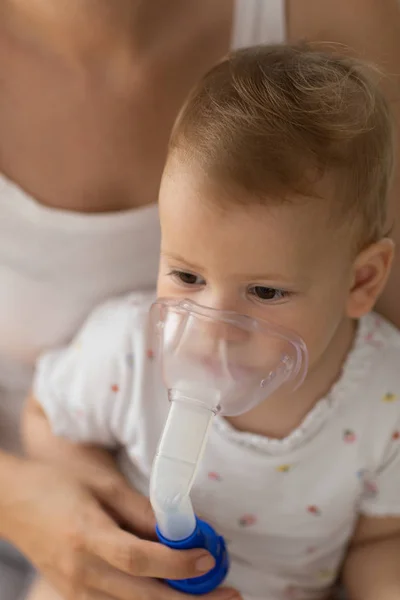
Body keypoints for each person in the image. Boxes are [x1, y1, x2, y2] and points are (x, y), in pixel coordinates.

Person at [0, 2, 399, 600]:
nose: (213, 327)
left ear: (361, 282)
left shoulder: (381, 401)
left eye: (264, 292)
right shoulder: (129, 355)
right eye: (186, 277)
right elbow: (47, 417)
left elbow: (379, 541)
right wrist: (93, 496)